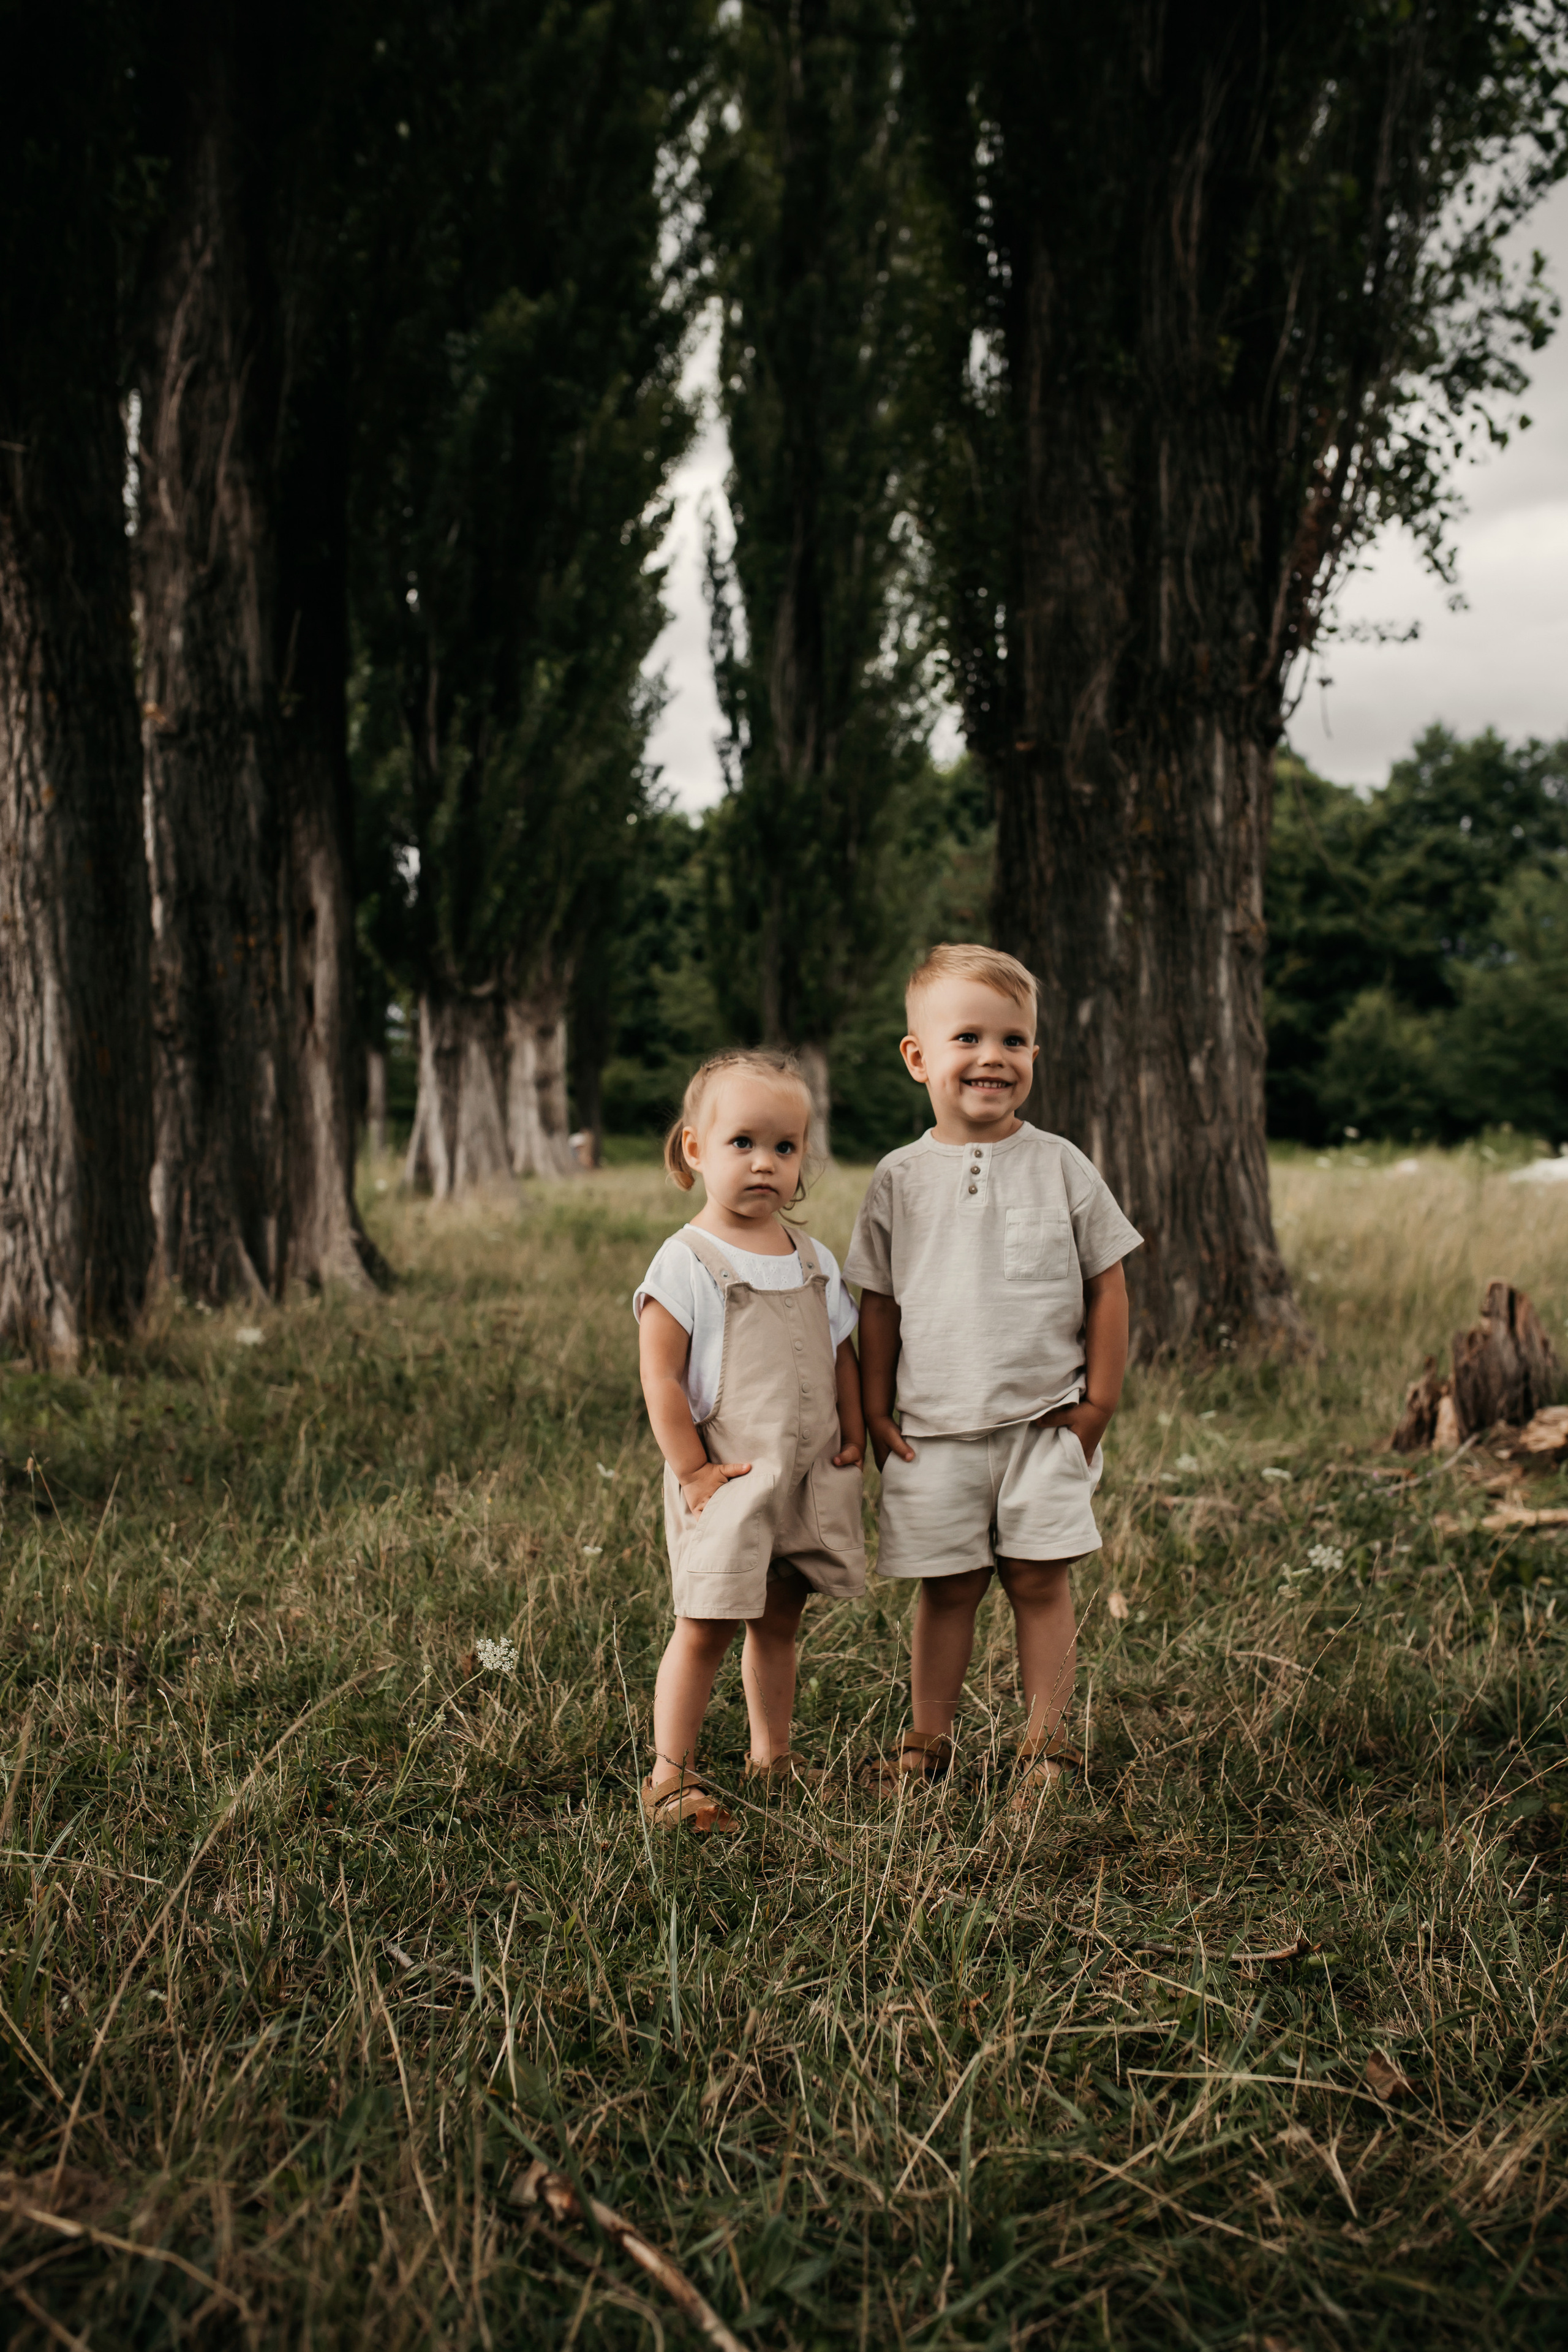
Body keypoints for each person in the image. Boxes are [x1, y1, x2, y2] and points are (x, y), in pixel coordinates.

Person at [845, 944, 1141, 1804]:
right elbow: (879, 1306)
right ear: (918, 1058)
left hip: (1045, 1421)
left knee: (1040, 1580)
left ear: (1034, 1057)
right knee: (948, 1588)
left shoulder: (1060, 1164)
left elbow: (1107, 1285)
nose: (992, 1058)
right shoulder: (898, 1179)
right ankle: (927, 1745)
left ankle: (1047, 1748)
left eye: (1014, 1041)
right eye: (967, 1036)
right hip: (932, 1430)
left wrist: (1100, 1403)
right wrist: (875, 1409)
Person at [634, 1049, 866, 1831]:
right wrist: (691, 1468)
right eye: (742, 1143)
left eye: (785, 1147)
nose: (765, 1164)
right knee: (704, 1622)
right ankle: (670, 1778)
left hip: (798, 1475)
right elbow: (661, 1377)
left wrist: (854, 1422)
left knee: (779, 1621)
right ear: (695, 1148)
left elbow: (838, 1350)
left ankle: (773, 1755)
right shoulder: (689, 1260)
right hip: (727, 1477)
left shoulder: (812, 1259)